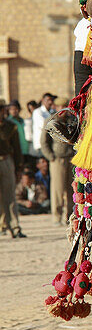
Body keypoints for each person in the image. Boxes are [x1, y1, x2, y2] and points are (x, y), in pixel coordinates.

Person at [40, 116, 73, 223]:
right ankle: (57, 216)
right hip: (57, 159)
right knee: (57, 189)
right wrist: (50, 157)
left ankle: (69, 215)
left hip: (71, 158)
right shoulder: (51, 120)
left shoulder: (72, 120)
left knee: (71, 188)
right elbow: (44, 141)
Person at [0, 102, 24, 238]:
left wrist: (19, 167)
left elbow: (17, 148)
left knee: (10, 196)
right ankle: (2, 225)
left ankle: (15, 226)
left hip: (6, 161)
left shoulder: (10, 127)